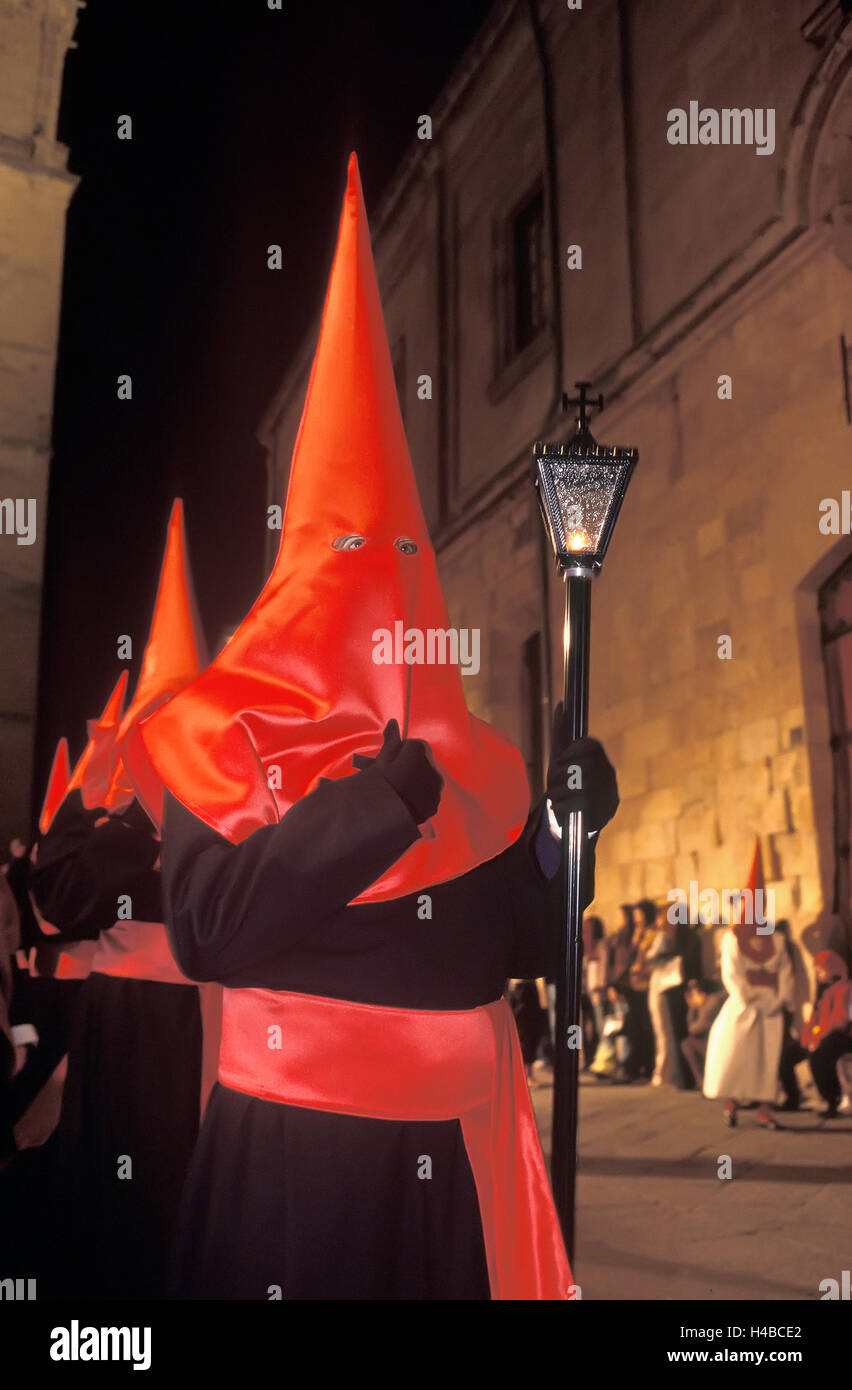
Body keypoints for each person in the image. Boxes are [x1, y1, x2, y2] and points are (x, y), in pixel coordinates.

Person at [124, 155, 620, 1301]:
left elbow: (527, 940)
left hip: (454, 1156)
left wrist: (561, 826)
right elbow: (209, 927)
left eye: (408, 562)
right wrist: (378, 805)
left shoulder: (473, 757)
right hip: (301, 1163)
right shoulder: (215, 730)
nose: (387, 592)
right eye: (358, 563)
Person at [28, 501, 214, 1299]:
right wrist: (124, 820)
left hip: (189, 1020)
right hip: (142, 1018)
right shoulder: (121, 799)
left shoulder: (205, 797)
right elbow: (57, 899)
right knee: (131, 1190)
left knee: (172, 1193)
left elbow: (60, 896)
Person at [703, 912, 793, 1129]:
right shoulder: (733, 940)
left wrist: (780, 999)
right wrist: (745, 998)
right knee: (738, 1057)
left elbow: (785, 971)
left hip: (770, 1008)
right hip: (744, 1006)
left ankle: (764, 1111)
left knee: (767, 1060)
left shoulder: (777, 941)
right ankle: (732, 1104)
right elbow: (731, 972)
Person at [800, 950, 852, 1117]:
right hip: (825, 1035)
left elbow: (841, 1021)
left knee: (820, 1055)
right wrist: (808, 1038)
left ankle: (832, 1100)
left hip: (844, 1036)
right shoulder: (823, 991)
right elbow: (815, 1019)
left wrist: (817, 1039)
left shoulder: (846, 989)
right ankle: (791, 1098)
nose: (818, 974)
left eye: (821, 970)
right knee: (791, 1054)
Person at [679, 979, 724, 1089]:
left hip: (719, 1044)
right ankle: (700, 1081)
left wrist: (692, 1008)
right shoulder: (705, 1002)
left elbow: (696, 1028)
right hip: (709, 1041)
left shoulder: (714, 1001)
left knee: (688, 1043)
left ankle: (706, 1082)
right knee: (687, 1043)